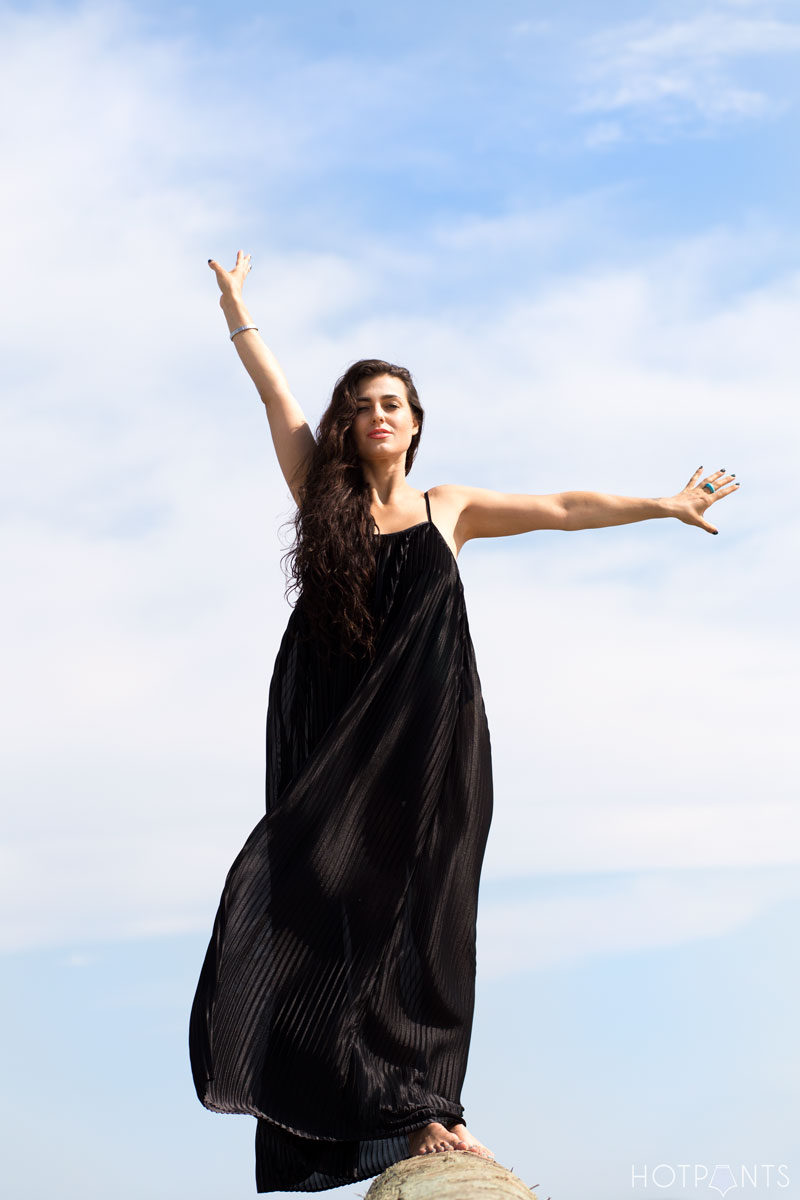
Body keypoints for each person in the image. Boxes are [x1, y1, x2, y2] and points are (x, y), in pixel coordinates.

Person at [189, 250, 740, 1194]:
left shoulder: (451, 508)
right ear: (346, 424)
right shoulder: (321, 500)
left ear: (414, 425)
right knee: (329, 919)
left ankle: (429, 1107)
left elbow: (564, 505)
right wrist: (241, 313)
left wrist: (662, 504)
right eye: (361, 404)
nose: (376, 417)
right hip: (338, 747)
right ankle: (358, 1105)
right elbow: (275, 398)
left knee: (433, 917)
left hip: (435, 750)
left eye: (392, 404)